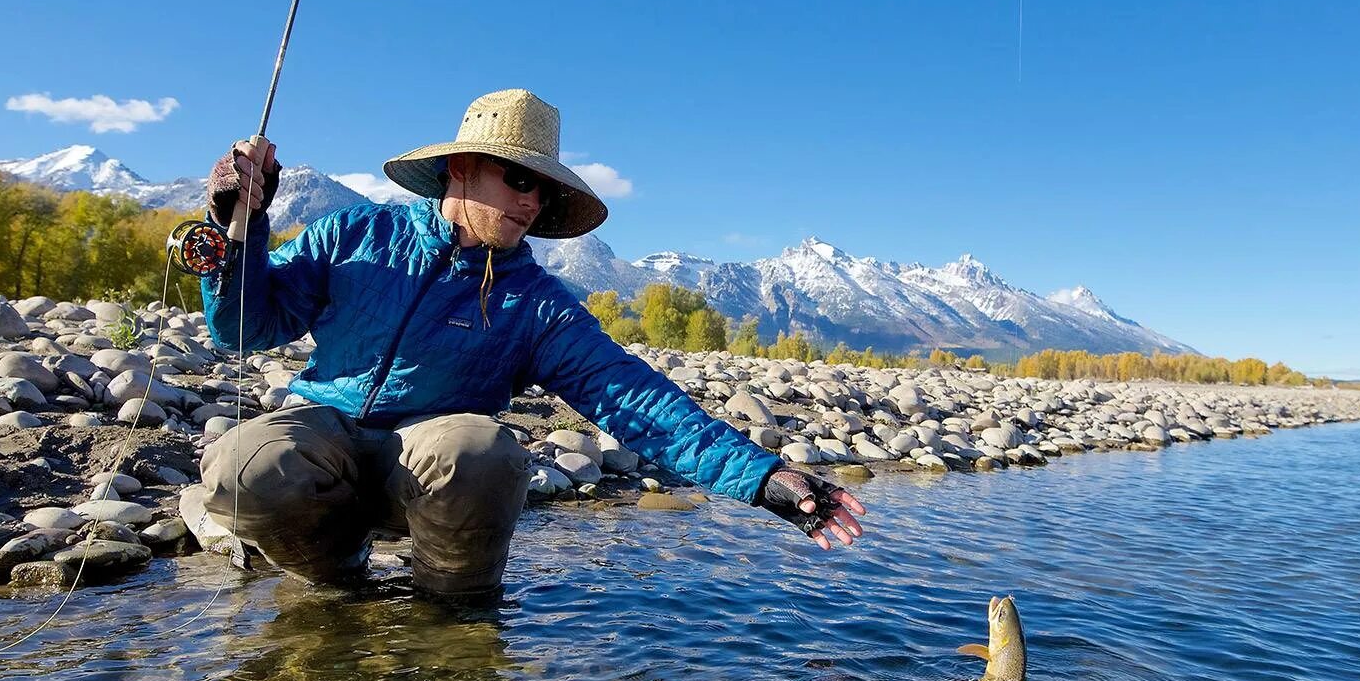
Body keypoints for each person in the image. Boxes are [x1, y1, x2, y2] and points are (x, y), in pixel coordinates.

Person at [198, 88, 867, 597]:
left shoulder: (537, 304)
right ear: (461, 167)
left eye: (543, 192)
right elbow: (244, 328)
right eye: (519, 179)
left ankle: (455, 621)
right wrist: (238, 227)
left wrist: (762, 477)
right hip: (327, 439)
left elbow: (634, 397)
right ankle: (333, 582)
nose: (531, 203)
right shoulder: (355, 235)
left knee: (480, 450)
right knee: (241, 463)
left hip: (435, 476)